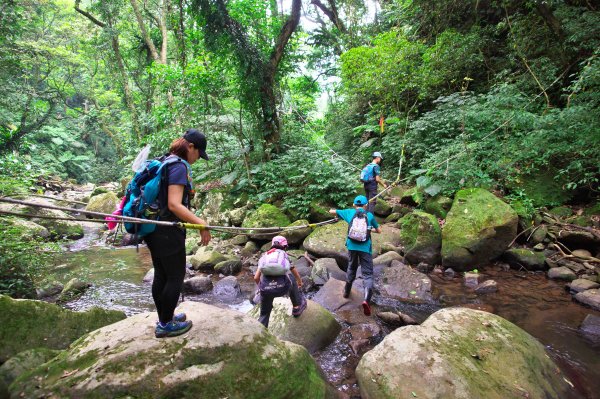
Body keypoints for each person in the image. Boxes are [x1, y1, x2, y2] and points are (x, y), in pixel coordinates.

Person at [145, 128, 212, 338]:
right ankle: (166, 324)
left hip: (153, 227)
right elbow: (174, 204)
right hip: (167, 230)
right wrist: (202, 223)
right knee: (175, 276)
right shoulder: (178, 167)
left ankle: (166, 317)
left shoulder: (166, 160)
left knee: (162, 274)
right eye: (198, 154)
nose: (198, 159)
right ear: (190, 147)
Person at [329, 195, 381, 316]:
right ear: (365, 205)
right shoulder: (370, 216)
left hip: (352, 247)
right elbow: (379, 231)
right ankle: (366, 300)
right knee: (367, 274)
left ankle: (346, 292)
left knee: (351, 267)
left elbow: (333, 212)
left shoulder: (349, 213)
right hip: (365, 248)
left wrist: (332, 212)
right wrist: (370, 229)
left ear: (354, 205)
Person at [254, 236, 307, 328]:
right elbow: (294, 271)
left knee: (264, 314)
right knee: (291, 277)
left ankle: (261, 331)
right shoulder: (284, 256)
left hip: (266, 290)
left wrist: (261, 288)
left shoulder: (265, 256)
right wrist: (299, 282)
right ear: (285, 246)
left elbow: (256, 277)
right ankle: (296, 307)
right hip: (282, 289)